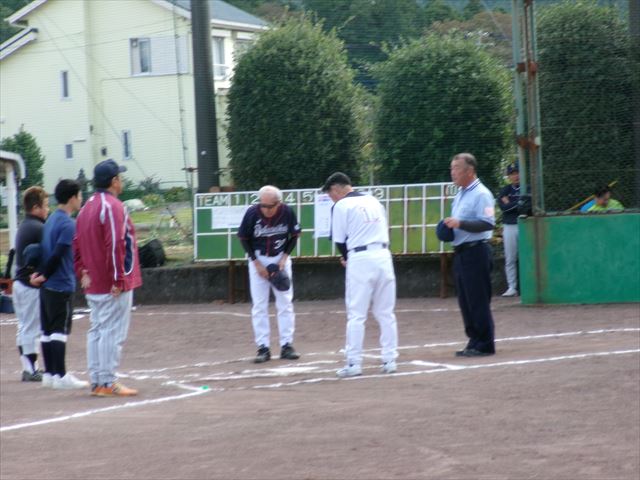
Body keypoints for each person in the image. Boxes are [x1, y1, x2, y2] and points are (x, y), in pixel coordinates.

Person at [74, 159, 142, 397]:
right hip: (110, 281)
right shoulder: (112, 206)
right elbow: (115, 244)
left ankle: (98, 380)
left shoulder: (86, 207)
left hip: (93, 280)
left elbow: (77, 244)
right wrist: (118, 279)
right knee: (112, 331)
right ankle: (107, 380)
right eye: (119, 177)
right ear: (114, 181)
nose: (121, 181)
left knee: (98, 329)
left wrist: (82, 271)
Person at [322, 172, 398, 377]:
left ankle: (354, 363)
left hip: (360, 258)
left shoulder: (341, 205)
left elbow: (340, 240)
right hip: (383, 255)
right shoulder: (373, 200)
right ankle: (390, 360)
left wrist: (347, 258)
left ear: (336, 189)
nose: (331, 198)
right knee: (386, 312)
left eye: (330, 194)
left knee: (356, 314)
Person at [30, 180, 88, 389]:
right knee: (59, 331)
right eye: (79, 195)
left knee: (47, 330)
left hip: (47, 287)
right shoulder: (67, 224)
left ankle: (50, 374)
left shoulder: (51, 219)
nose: (81, 199)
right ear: (72, 198)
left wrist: (39, 274)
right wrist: (44, 275)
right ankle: (61, 376)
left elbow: (43, 251)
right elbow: (57, 254)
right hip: (60, 283)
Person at [237, 185, 302, 363]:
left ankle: (287, 345)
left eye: (269, 206)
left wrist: (284, 259)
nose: (265, 209)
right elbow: (243, 238)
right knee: (259, 305)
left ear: (278, 203)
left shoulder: (287, 212)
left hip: (280, 258)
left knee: (285, 302)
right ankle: (263, 347)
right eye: (262, 205)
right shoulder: (252, 213)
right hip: (258, 259)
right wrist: (256, 263)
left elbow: (294, 236)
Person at [443, 153, 496, 357]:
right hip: (462, 253)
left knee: (477, 299)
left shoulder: (482, 194)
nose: (452, 172)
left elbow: (488, 223)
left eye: (456, 168)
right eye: (452, 168)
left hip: (476, 252)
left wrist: (460, 223)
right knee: (465, 300)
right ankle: (474, 340)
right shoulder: (460, 194)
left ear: (470, 171)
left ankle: (485, 343)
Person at [12, 186, 49, 382]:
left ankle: (29, 367)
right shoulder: (38, 227)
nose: (47, 209)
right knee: (31, 328)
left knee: (25, 327)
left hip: (20, 283)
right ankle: (30, 369)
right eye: (45, 205)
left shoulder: (26, 225)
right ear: (36, 207)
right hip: (29, 285)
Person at [497, 163, 520, 297]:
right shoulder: (505, 190)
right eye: (512, 174)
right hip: (509, 226)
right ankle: (512, 287)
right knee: (510, 258)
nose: (515, 176)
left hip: (525, 224)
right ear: (509, 176)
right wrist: (519, 203)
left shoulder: (528, 188)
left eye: (517, 172)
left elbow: (527, 206)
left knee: (527, 257)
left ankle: (528, 286)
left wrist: (510, 203)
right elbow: (503, 208)